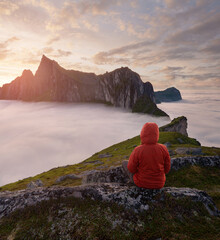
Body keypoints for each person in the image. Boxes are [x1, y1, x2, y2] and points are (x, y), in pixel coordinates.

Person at [122, 122, 171, 189]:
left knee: (124, 163)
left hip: (141, 183)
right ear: (156, 134)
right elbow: (167, 170)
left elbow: (131, 169)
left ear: (143, 133)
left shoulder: (138, 150)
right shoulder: (163, 148)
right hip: (159, 184)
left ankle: (131, 183)